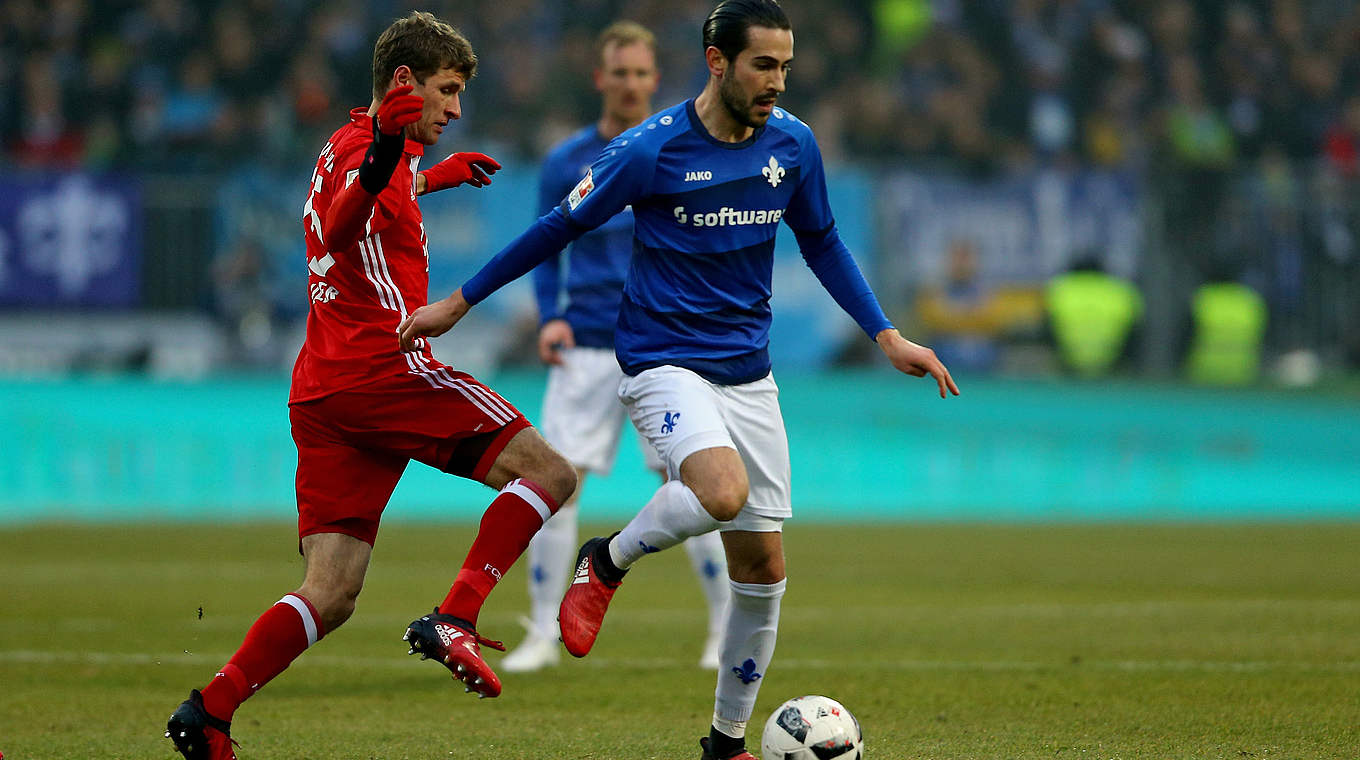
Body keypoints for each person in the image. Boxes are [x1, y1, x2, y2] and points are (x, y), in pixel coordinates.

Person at [397, 2, 959, 758]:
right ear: (716, 61)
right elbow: (556, 227)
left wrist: (887, 335)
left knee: (762, 571)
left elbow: (822, 241)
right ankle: (606, 560)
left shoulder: (793, 146)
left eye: (785, 67)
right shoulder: (650, 151)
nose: (776, 82)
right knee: (719, 491)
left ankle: (726, 742)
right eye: (763, 65)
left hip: (747, 374)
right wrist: (460, 303)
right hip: (661, 360)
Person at [164, 12, 578, 760]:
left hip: (324, 390)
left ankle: (210, 711)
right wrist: (396, 152)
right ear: (402, 84)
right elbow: (348, 216)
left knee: (331, 592)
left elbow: (360, 198)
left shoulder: (344, 147)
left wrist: (429, 175)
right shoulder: (371, 152)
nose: (455, 109)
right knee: (550, 474)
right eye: (446, 91)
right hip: (384, 368)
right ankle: (455, 614)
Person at [502, 20, 731, 675]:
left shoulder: (679, 153)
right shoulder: (566, 162)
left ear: (655, 80)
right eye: (619, 73)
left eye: (641, 73)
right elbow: (547, 248)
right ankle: (543, 634)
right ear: (600, 79)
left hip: (663, 345)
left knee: (691, 484)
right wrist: (549, 316)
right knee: (556, 485)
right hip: (588, 345)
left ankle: (721, 628)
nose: (630, 84)